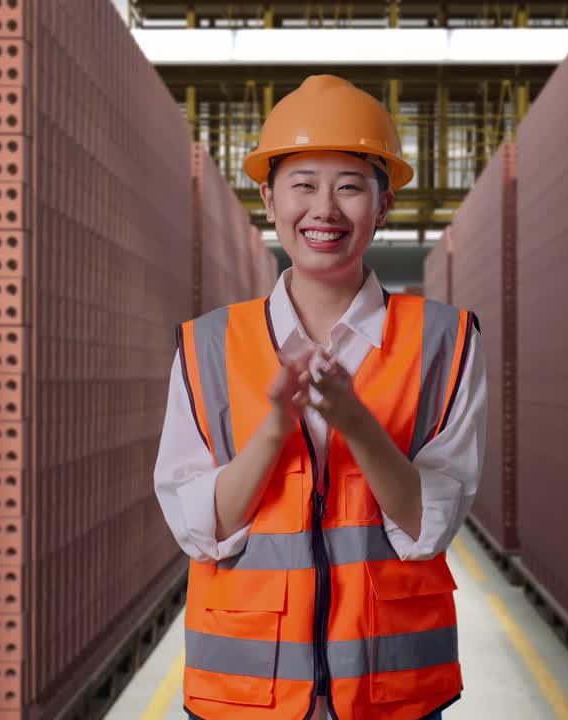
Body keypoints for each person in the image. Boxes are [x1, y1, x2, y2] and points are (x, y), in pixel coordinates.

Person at [154, 74, 487, 720]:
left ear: (383, 204)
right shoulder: (207, 348)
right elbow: (203, 530)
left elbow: (429, 527)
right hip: (244, 696)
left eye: (351, 186)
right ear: (268, 198)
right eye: (303, 183)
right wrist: (276, 427)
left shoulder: (445, 342)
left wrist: (358, 423)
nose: (324, 210)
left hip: (390, 696)